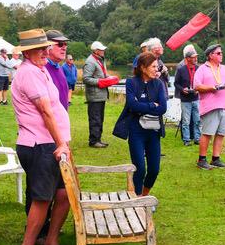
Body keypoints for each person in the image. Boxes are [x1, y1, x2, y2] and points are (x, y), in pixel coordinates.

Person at [10, 29, 72, 245]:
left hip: (50, 144)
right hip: (40, 145)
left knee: (64, 194)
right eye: (40, 48)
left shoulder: (41, 69)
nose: (45, 51)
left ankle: (51, 243)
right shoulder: (29, 73)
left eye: (46, 47)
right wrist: (61, 143)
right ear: (27, 53)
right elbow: (46, 111)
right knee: (42, 199)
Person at [124, 52, 167, 196]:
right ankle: (136, 197)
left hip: (153, 132)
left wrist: (142, 106)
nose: (157, 69)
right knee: (140, 168)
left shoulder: (159, 84)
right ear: (143, 68)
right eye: (154, 66)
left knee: (154, 169)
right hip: (136, 131)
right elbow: (132, 106)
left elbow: (163, 108)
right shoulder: (131, 83)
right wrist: (152, 105)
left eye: (158, 66)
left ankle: (145, 194)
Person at [193, 44, 225, 170]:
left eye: (221, 53)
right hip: (210, 106)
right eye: (218, 53)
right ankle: (202, 159)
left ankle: (215, 158)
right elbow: (196, 86)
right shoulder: (202, 69)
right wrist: (211, 88)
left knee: (221, 133)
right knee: (207, 133)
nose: (221, 55)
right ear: (210, 55)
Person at [83, 41, 119, 148]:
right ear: (96, 51)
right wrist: (100, 82)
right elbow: (86, 78)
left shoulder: (99, 60)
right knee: (95, 119)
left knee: (99, 118)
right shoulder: (90, 62)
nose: (104, 51)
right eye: (102, 49)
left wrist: (109, 78)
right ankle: (94, 141)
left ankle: (97, 139)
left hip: (100, 95)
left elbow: (102, 74)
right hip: (94, 96)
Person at [174, 44, 201, 146]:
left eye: (196, 57)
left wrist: (199, 89)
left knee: (197, 120)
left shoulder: (198, 69)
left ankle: (197, 138)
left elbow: (202, 82)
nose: (196, 59)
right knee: (186, 121)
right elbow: (176, 83)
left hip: (196, 98)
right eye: (194, 57)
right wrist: (182, 90)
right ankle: (186, 140)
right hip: (185, 99)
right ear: (188, 58)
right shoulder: (181, 69)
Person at [45, 30, 70, 110]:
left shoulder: (59, 68)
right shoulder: (41, 70)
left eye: (65, 44)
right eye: (60, 44)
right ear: (48, 46)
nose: (64, 48)